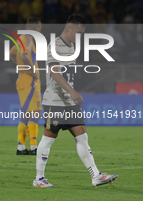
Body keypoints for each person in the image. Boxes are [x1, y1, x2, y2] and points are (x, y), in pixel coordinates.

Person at [33, 15, 118, 187]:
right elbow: (55, 73)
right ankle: (39, 179)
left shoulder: (72, 47)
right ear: (68, 28)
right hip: (55, 101)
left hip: (70, 102)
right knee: (48, 138)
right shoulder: (54, 45)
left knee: (82, 137)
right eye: (78, 32)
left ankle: (95, 175)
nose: (79, 37)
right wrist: (71, 91)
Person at [10, 17, 42, 155]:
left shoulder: (20, 38)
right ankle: (34, 147)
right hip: (29, 81)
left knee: (27, 114)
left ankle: (21, 147)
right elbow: (23, 55)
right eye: (39, 27)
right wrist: (32, 71)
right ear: (36, 28)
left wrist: (21, 68)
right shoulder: (28, 38)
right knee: (35, 112)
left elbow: (12, 54)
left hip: (23, 79)